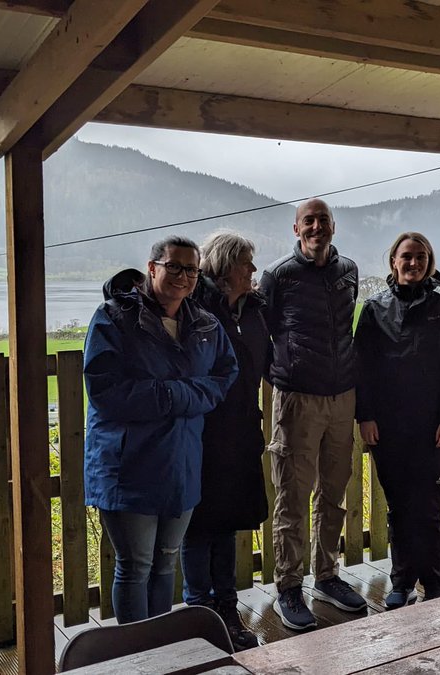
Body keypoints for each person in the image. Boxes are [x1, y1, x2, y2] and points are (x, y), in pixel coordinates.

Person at [83, 235, 238, 624]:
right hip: (128, 463)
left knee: (167, 563)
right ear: (152, 268)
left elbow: (225, 374)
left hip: (181, 461)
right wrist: (175, 396)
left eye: (190, 269)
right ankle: (138, 656)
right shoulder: (114, 318)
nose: (182, 276)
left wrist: (181, 395)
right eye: (174, 266)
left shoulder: (204, 324)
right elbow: (105, 389)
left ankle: (161, 649)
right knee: (135, 565)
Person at [261, 198, 367, 630]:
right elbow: (265, 328)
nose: (317, 226)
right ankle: (288, 585)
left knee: (333, 493)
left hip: (342, 396)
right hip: (296, 399)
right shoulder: (278, 276)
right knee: (292, 495)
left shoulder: (349, 272)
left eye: (323, 220)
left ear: (333, 227)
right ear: (296, 228)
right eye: (309, 220)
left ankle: (326, 576)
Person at [355, 232, 440, 608]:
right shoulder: (374, 309)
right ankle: (401, 583)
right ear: (394, 262)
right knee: (399, 507)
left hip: (434, 428)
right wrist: (366, 416)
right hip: (387, 429)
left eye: (421, 257)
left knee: (431, 506)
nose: (413, 263)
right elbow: (364, 369)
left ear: (429, 263)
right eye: (407, 257)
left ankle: (435, 584)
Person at [179, 230, 268, 650]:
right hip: (204, 430)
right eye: (247, 261)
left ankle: (228, 611)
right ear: (228, 265)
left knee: (228, 521)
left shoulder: (252, 310)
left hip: (241, 429)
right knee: (199, 524)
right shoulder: (196, 307)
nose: (253, 269)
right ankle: (200, 614)